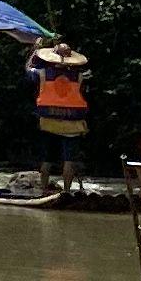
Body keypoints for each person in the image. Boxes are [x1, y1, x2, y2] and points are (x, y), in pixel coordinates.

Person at [30, 45, 91, 190]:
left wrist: (35, 51)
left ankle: (44, 190)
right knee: (69, 160)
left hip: (48, 122)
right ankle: (67, 191)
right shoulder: (82, 75)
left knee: (46, 159)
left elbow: (29, 70)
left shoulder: (42, 73)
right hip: (73, 124)